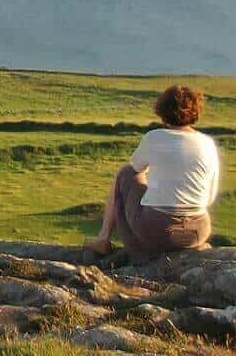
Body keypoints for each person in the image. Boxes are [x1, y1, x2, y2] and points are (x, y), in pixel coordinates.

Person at [84, 84, 219, 258]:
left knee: (125, 173)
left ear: (162, 111)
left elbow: (135, 171)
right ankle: (183, 249)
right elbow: (210, 197)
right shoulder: (208, 143)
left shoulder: (155, 137)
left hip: (159, 229)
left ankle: (104, 239)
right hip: (198, 230)